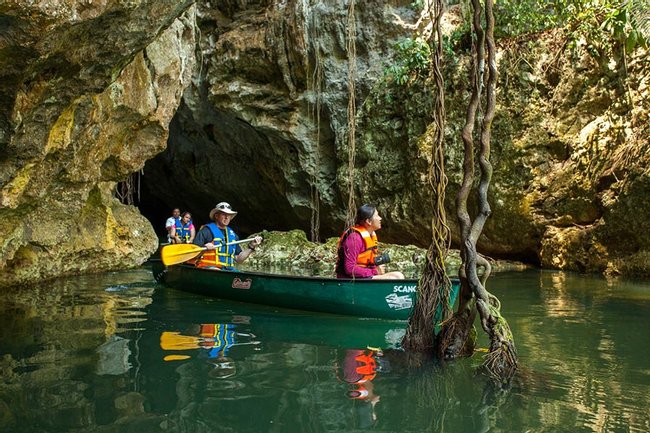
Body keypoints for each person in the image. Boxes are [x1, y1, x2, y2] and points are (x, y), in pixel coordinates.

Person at [335, 204, 405, 279]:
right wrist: (375, 272)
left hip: (364, 276)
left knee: (398, 275)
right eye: (377, 216)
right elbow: (349, 269)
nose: (380, 218)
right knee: (392, 279)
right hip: (350, 279)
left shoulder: (371, 235)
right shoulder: (354, 238)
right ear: (368, 221)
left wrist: (375, 268)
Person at [192, 202, 263, 270]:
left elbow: (239, 259)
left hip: (228, 270)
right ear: (216, 216)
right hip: (209, 267)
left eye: (229, 215)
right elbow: (193, 254)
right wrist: (204, 249)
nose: (227, 217)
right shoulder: (206, 231)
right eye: (224, 214)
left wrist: (252, 246)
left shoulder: (233, 235)